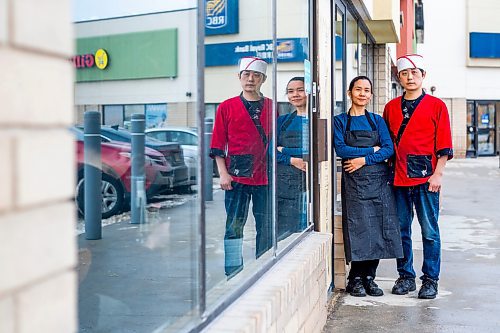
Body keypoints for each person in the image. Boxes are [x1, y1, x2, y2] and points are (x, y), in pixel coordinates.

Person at [383, 54, 453, 299]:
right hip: (398, 177)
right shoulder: (391, 107)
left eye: (415, 73)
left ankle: (430, 280)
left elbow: (444, 145)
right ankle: (406, 276)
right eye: (405, 73)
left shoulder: (437, 105)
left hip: (426, 179)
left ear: (423, 75)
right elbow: (386, 143)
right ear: (399, 77)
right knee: (401, 229)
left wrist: (438, 174)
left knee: (429, 232)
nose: (410, 77)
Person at [334, 76, 403, 297]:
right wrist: (371, 150)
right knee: (359, 228)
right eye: (358, 89)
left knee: (378, 229)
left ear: (371, 95)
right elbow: (342, 150)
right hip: (354, 185)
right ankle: (355, 278)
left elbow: (388, 149)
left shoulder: (376, 120)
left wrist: (364, 159)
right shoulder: (340, 121)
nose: (362, 94)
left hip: (378, 183)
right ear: (349, 92)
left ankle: (369, 278)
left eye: (366, 90)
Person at [210, 56, 273, 278]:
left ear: (263, 79)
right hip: (236, 176)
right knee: (234, 226)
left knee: (265, 226)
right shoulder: (226, 107)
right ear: (239, 78)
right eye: (246, 75)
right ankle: (233, 271)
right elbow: (218, 143)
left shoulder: (272, 107)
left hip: (266, 176)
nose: (251, 79)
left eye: (256, 75)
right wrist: (223, 173)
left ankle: (263, 267)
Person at [276, 77, 308, 240]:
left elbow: (314, 150)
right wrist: (293, 160)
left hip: (308, 187)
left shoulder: (317, 121)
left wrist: (285, 150)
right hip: (285, 189)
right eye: (290, 91)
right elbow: (270, 152)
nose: (295, 94)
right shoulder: (282, 121)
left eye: (300, 90)